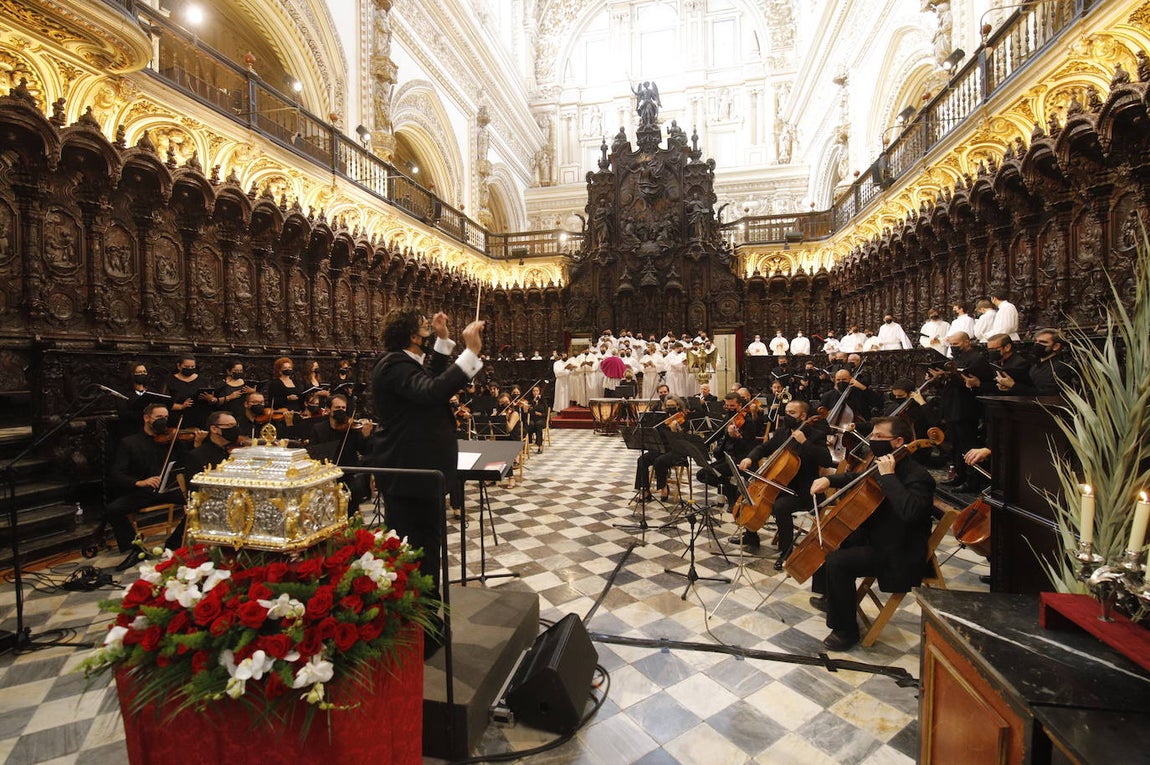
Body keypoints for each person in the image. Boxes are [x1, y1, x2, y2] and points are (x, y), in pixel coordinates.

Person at [369, 309, 483, 659]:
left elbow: (429, 376)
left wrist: (444, 340)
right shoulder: (392, 366)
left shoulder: (405, 364)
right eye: (423, 327)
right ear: (411, 336)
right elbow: (432, 391)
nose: (426, 328)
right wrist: (470, 352)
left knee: (427, 550)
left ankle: (425, 622)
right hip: (408, 475)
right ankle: (413, 628)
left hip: (420, 475)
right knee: (414, 553)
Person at [808, 417, 936, 651]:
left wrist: (888, 477)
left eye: (878, 436)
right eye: (873, 435)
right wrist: (829, 479)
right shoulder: (886, 463)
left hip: (899, 551)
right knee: (832, 537)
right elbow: (857, 477)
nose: (872, 440)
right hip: (879, 537)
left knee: (837, 562)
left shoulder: (919, 476)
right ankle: (832, 598)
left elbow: (910, 512)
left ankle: (846, 631)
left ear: (898, 441)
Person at [738, 400, 833, 562]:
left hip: (805, 491)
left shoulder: (815, 435)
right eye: (786, 412)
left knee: (780, 507)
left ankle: (786, 551)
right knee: (749, 495)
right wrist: (749, 458)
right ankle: (751, 536)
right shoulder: (783, 432)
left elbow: (826, 460)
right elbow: (763, 448)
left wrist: (804, 442)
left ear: (803, 416)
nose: (787, 416)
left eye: (792, 413)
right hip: (782, 486)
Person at [105, 403, 193, 571]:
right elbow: (116, 473)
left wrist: (193, 443)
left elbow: (187, 461)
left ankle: (173, 544)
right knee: (113, 509)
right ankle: (135, 549)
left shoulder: (172, 440)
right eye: (159, 418)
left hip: (168, 489)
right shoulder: (129, 443)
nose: (164, 421)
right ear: (147, 418)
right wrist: (140, 482)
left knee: (197, 502)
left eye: (166, 418)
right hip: (143, 491)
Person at [163, 410, 241, 551]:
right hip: (216, 504)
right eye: (229, 425)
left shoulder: (238, 451)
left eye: (235, 425)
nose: (234, 429)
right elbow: (195, 489)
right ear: (214, 429)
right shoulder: (197, 455)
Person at [634, 395, 689, 501]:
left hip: (677, 451)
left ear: (678, 406)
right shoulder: (662, 418)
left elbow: (684, 441)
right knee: (642, 460)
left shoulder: (683, 419)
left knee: (660, 461)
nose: (670, 408)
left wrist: (674, 431)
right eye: (667, 405)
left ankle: (663, 487)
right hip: (661, 448)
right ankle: (645, 490)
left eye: (672, 405)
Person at [995, 328, 1077, 396]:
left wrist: (1013, 385)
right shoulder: (1034, 364)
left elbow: (1047, 394)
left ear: (1056, 346)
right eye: (1036, 341)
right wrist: (1009, 387)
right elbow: (1028, 387)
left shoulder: (1060, 367)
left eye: (1043, 342)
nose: (1037, 344)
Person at [164, 354, 212, 429]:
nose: (190, 369)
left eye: (192, 367)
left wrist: (210, 398)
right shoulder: (169, 380)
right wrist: (181, 406)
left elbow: (211, 399)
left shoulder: (203, 380)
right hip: (178, 418)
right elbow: (163, 402)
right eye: (187, 367)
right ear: (179, 366)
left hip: (200, 418)